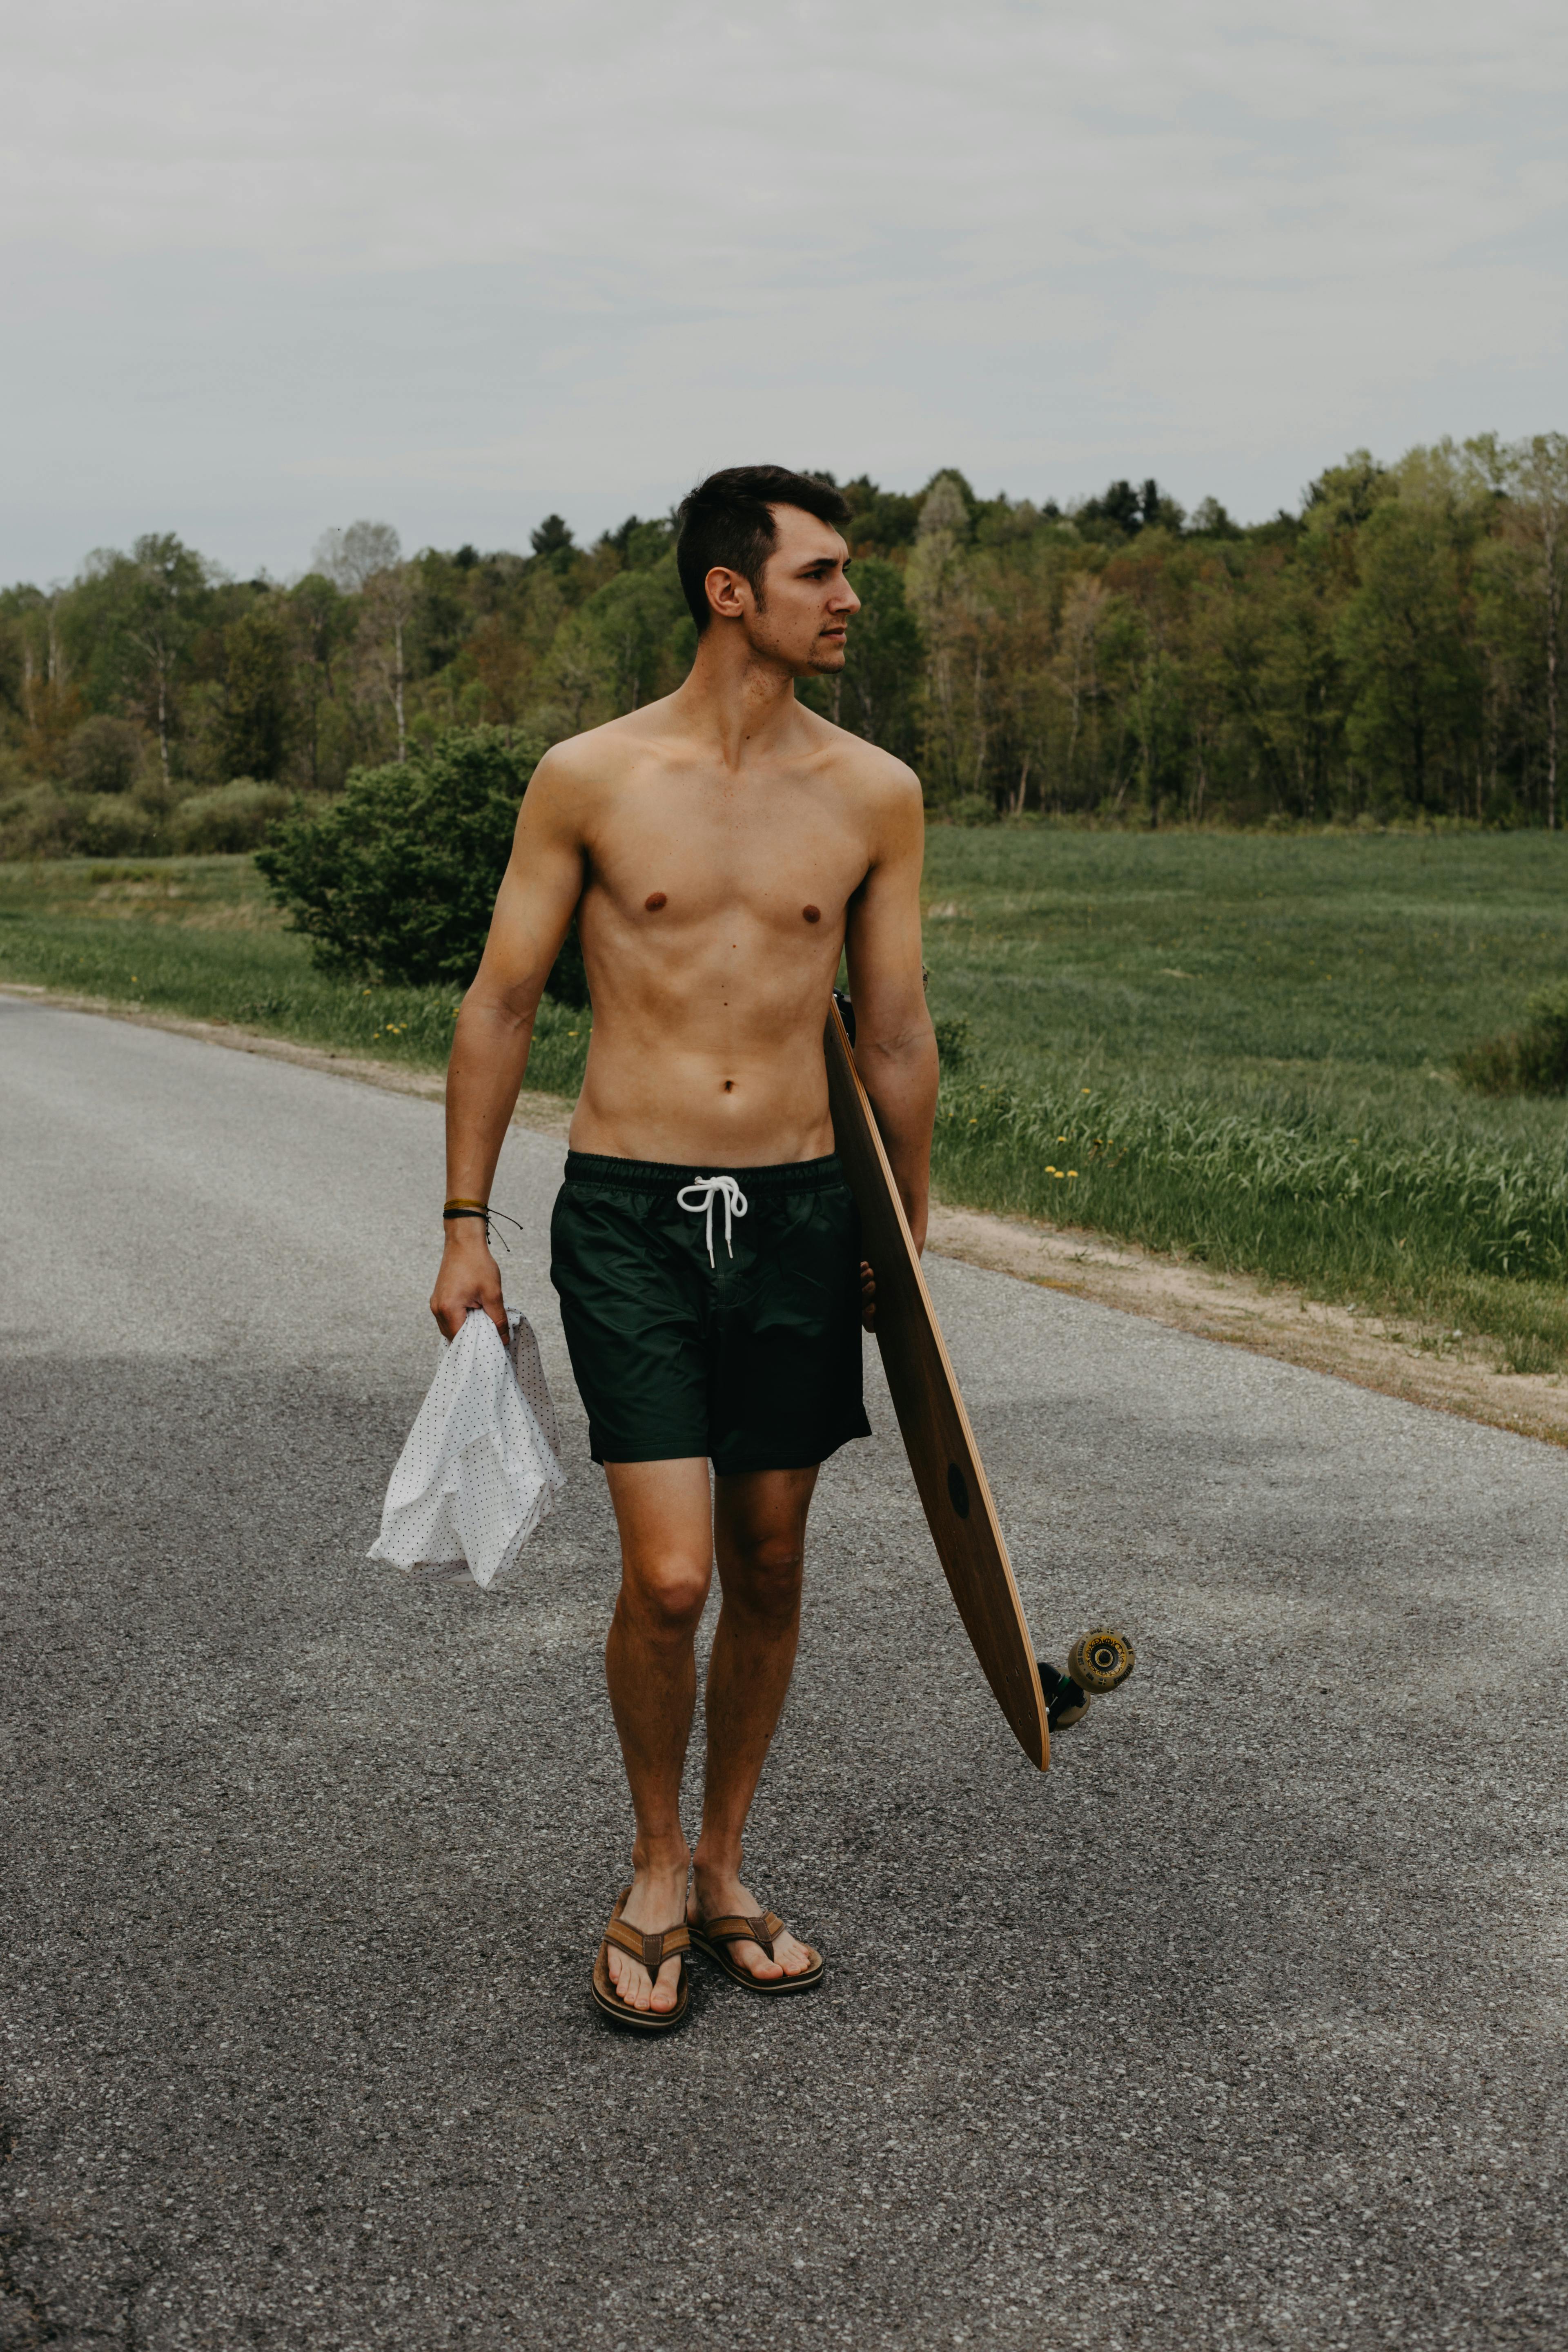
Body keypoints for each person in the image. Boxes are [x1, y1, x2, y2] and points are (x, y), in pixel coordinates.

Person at [430, 465, 938, 2030]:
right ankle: (651, 1862)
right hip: (633, 1212)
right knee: (671, 1573)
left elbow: (900, 1032)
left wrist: (902, 1248)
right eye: (823, 574)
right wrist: (464, 1225)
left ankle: (722, 1870)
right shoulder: (589, 777)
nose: (851, 598)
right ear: (732, 589)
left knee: (773, 1555)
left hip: (799, 1216)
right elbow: (504, 1000)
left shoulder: (875, 792)